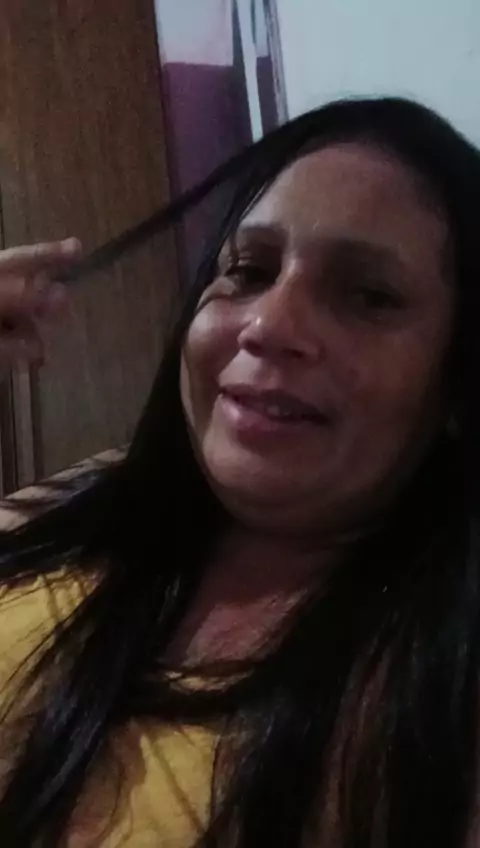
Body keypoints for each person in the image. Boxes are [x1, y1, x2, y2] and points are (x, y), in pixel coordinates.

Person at [0, 97, 479, 848]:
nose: (269, 324)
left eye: (369, 296)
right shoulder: (70, 507)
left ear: (457, 380)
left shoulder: (443, 693)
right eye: (249, 270)